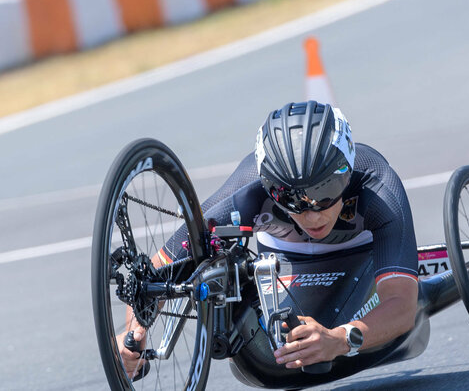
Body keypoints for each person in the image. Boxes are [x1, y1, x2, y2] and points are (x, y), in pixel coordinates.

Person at [116, 101, 420, 378]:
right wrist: (135, 332)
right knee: (206, 254)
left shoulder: (379, 186)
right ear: (268, 184)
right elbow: (158, 270)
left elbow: (402, 306)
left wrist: (339, 339)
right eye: (290, 198)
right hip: (284, 255)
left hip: (361, 252)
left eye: (325, 192)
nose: (312, 215)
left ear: (347, 171)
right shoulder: (248, 189)